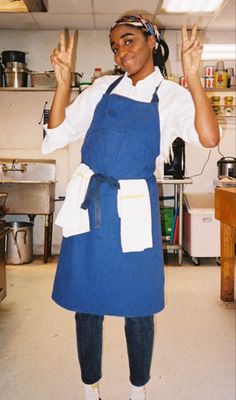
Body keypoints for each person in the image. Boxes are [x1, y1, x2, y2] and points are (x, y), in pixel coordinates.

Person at [42, 15, 220, 400]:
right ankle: (90, 386)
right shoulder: (103, 88)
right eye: (115, 46)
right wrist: (61, 85)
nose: (122, 52)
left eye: (128, 41)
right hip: (90, 206)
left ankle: (138, 388)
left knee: (138, 304)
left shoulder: (171, 95)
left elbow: (208, 137)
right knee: (86, 304)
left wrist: (192, 77)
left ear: (151, 40)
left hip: (133, 210)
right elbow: (58, 133)